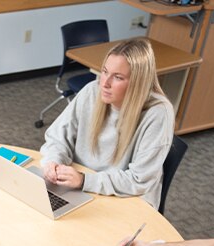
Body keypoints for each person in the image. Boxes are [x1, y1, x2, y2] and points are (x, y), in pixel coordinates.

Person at [40, 38, 174, 209]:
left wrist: (84, 180)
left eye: (118, 77)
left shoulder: (158, 113)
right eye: (104, 72)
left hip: (128, 198)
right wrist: (53, 161)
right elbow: (57, 137)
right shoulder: (91, 91)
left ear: (138, 83)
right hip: (82, 186)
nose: (105, 83)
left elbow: (139, 180)